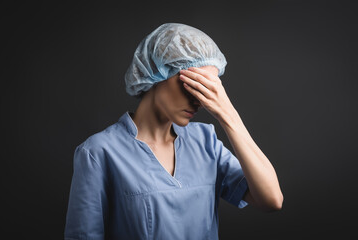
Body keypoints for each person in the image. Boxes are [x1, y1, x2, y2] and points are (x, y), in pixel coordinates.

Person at [64, 23, 283, 240]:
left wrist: (228, 115)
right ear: (158, 71)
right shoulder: (99, 153)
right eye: (194, 84)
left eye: (209, 89)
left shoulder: (205, 141)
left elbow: (271, 200)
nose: (200, 100)